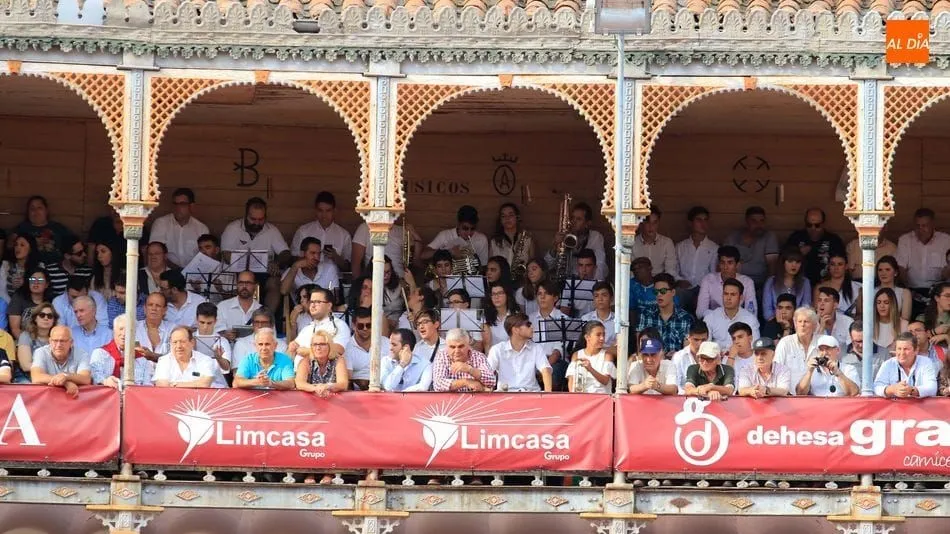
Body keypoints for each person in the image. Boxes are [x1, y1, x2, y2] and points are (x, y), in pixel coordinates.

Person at [220, 197, 292, 311]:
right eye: (253, 219)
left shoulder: (271, 230)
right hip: (237, 272)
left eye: (261, 219)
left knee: (275, 282)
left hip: (263, 273)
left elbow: (286, 253)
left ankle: (268, 318)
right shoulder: (232, 228)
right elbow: (226, 254)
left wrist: (276, 263)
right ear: (245, 215)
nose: (257, 223)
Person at [896, 208, 950, 318]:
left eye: (924, 225)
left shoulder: (946, 240)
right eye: (918, 226)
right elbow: (901, 268)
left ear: (933, 224)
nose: (921, 229)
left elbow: (947, 272)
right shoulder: (905, 240)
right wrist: (908, 289)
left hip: (937, 291)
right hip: (912, 290)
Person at [487, 313, 553, 392]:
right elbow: (487, 373)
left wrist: (548, 394)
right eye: (528, 325)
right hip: (505, 395)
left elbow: (545, 370)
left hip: (531, 394)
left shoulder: (536, 348)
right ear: (516, 330)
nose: (532, 327)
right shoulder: (497, 349)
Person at [149, 188, 210, 268]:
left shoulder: (201, 228)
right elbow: (155, 252)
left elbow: (206, 256)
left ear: (191, 206)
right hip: (166, 271)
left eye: (182, 204)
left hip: (194, 273)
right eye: (175, 204)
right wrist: (177, 271)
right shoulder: (161, 223)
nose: (177, 208)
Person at [291, 191, 352, 271]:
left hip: (333, 280)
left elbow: (348, 267)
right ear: (316, 210)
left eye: (328, 211)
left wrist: (336, 257)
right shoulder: (303, 231)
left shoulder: (344, 235)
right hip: (306, 278)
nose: (324, 215)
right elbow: (292, 259)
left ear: (334, 211)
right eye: (320, 210)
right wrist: (306, 260)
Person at [723, 206, 780, 291]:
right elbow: (723, 262)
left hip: (759, 284)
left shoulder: (768, 237)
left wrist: (769, 288)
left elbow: (772, 266)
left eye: (762, 221)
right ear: (747, 221)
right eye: (754, 221)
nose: (759, 225)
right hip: (736, 282)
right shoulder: (734, 237)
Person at [89, 315, 155, 388]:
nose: (124, 334)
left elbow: (148, 385)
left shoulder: (142, 360)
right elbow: (95, 376)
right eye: (121, 329)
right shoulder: (100, 353)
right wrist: (105, 381)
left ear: (134, 333)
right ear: (114, 331)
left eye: (128, 330)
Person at [786, 207, 846, 285]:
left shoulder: (834, 240)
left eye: (817, 225)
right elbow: (784, 259)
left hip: (827, 285)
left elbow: (842, 264)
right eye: (809, 225)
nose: (813, 228)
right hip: (799, 284)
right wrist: (798, 253)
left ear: (823, 224)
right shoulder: (796, 238)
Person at [675, 206, 718, 311]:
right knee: (676, 295)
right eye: (699, 220)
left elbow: (714, 274)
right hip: (684, 288)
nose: (703, 224)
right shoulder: (680, 246)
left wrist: (704, 287)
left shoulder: (714, 248)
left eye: (705, 220)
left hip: (704, 289)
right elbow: (673, 269)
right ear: (690, 223)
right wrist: (679, 280)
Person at [290, 287, 351, 360]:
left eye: (317, 302)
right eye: (312, 302)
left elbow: (338, 350)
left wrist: (306, 351)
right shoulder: (308, 328)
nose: (312, 305)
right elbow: (290, 352)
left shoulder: (339, 325)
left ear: (329, 305)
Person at [696, 246, 757, 319]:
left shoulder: (747, 282)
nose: (725, 267)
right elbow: (700, 312)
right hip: (714, 323)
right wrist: (724, 318)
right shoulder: (708, 280)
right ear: (719, 264)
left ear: (737, 265)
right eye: (722, 262)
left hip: (738, 324)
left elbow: (752, 313)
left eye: (730, 263)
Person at [10, 196, 74, 265]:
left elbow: (74, 245)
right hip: (30, 268)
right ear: (28, 212)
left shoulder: (58, 228)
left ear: (46, 210)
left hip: (56, 269)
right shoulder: (22, 228)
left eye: (39, 208)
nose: (36, 211)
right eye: (32, 208)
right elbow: (10, 245)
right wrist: (32, 243)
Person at [637, 273, 692, 353]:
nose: (659, 294)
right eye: (656, 292)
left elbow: (687, 352)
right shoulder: (645, 315)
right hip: (651, 361)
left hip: (676, 363)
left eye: (663, 291)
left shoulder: (685, 318)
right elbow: (640, 349)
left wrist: (676, 356)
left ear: (673, 292)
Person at [30, 325, 91, 396]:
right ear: (49, 341)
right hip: (47, 399)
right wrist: (65, 382)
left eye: (63, 341)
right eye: (55, 341)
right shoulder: (40, 352)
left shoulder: (82, 354)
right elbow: (36, 377)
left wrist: (66, 376)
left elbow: (86, 378)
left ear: (71, 342)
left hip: (74, 400)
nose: (58, 345)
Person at [422, 205, 490, 268]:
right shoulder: (445, 235)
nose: (469, 233)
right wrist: (447, 251)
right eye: (465, 228)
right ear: (458, 224)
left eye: (472, 229)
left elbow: (483, 266)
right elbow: (423, 255)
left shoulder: (481, 239)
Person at [529, 281, 568, 388]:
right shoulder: (529, 319)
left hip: (554, 361)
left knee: (554, 372)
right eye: (539, 294)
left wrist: (543, 368)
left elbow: (557, 352)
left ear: (555, 298)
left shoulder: (563, 319)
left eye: (546, 294)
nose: (542, 297)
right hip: (533, 360)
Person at [874, 332, 938, 398]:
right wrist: (893, 389)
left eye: (906, 349)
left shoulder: (926, 362)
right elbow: (876, 387)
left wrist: (911, 390)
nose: (902, 353)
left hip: (919, 407)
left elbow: (932, 388)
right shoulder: (888, 364)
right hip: (895, 407)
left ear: (916, 350)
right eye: (899, 349)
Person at [702, 278, 759, 351]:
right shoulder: (711, 317)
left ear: (741, 298)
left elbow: (754, 348)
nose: (728, 298)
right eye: (726, 294)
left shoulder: (750, 320)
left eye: (733, 294)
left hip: (740, 360)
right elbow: (705, 346)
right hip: (716, 360)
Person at [432, 328, 495, 392]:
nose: (457, 351)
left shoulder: (478, 356)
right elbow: (438, 385)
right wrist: (465, 382)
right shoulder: (441, 356)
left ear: (468, 345)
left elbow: (492, 381)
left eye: (461, 346)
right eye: (452, 347)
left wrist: (470, 370)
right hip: (449, 401)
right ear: (447, 347)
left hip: (475, 400)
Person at [152, 327, 218, 388]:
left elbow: (204, 384)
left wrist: (175, 384)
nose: (178, 346)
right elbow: (161, 385)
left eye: (182, 342)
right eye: (175, 342)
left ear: (192, 342)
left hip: (198, 399)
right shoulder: (164, 361)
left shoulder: (205, 360)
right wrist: (194, 384)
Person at [344, 307, 390, 391]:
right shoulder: (347, 346)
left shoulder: (387, 343)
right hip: (358, 393)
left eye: (369, 325)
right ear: (354, 326)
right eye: (361, 326)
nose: (365, 329)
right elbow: (347, 379)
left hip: (385, 389)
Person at [774, 306, 821, 387]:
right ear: (795, 324)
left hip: (818, 396)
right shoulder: (785, 342)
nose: (802, 325)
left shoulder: (822, 342)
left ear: (814, 325)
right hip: (790, 396)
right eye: (799, 321)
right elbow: (776, 370)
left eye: (806, 321)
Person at [762, 247, 811, 321]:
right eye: (790, 261)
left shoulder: (805, 282)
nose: (794, 265)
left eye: (798, 262)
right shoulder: (771, 281)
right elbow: (767, 311)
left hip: (798, 324)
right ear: (783, 262)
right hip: (774, 323)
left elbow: (806, 307)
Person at [565, 321, 615, 393]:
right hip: (581, 397)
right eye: (598, 335)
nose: (602, 338)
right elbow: (571, 379)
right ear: (587, 337)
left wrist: (590, 369)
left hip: (601, 397)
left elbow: (605, 381)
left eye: (603, 335)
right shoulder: (577, 355)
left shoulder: (607, 355)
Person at [489, 203, 536, 279]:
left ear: (517, 217)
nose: (507, 219)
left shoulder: (527, 240)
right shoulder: (494, 242)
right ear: (500, 220)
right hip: (502, 283)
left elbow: (533, 265)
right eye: (503, 216)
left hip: (522, 283)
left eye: (511, 215)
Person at [231, 308, 285, 373]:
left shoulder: (282, 345)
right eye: (257, 322)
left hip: (275, 381)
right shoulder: (241, 343)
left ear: (272, 325)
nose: (260, 326)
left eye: (264, 323)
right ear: (253, 324)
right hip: (248, 382)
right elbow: (237, 372)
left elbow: (285, 371)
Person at [15, 302, 57, 383]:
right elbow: (25, 366)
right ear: (35, 318)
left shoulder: (58, 337)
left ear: (54, 320)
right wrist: (50, 370)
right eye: (42, 315)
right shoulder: (26, 336)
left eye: (50, 316)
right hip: (26, 377)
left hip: (50, 377)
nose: (46, 318)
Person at [630, 206, 677, 278]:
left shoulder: (667, 243)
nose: (651, 226)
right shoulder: (632, 242)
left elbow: (670, 270)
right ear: (641, 223)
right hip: (638, 283)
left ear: (658, 223)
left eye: (654, 222)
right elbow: (630, 272)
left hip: (660, 282)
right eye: (647, 222)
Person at [214, 271, 261, 341]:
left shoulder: (262, 310)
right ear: (237, 285)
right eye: (241, 283)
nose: (244, 286)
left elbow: (271, 337)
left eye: (248, 283)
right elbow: (214, 335)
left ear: (255, 285)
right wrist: (225, 335)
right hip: (230, 350)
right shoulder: (222, 307)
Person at [839, 322, 888, 388]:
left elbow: (888, 380)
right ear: (850, 337)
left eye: (864, 340)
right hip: (849, 396)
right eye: (857, 341)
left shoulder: (884, 354)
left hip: (874, 395)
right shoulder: (841, 352)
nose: (861, 345)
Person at [194, 302, 233, 385]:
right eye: (202, 322)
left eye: (209, 323)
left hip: (216, 383)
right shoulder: (188, 339)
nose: (205, 327)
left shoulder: (223, 341)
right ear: (196, 320)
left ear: (215, 321)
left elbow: (226, 369)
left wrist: (219, 358)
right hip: (191, 381)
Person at [813, 252, 861, 317]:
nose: (836, 268)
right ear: (829, 266)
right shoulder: (820, 287)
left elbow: (860, 314)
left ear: (846, 266)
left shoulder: (857, 287)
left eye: (840, 264)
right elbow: (816, 310)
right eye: (832, 264)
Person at [7, 268, 51, 338]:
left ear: (46, 284)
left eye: (40, 280)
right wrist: (27, 343)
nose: (36, 282)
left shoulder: (51, 301)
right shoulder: (18, 297)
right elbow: (15, 330)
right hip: (22, 340)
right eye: (32, 280)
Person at [670, 322, 710, 394]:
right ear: (688, 338)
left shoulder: (714, 356)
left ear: (707, 338)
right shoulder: (678, 357)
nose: (700, 343)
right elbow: (675, 385)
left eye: (703, 340)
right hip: (683, 399)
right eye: (696, 339)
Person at [135, 292, 174, 363]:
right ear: (144, 308)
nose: (154, 308)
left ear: (165, 310)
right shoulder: (134, 328)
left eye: (158, 306)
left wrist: (154, 356)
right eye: (150, 305)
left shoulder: (173, 330)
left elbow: (177, 359)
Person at [0, 234, 40, 301]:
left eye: (22, 245)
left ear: (30, 249)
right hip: (9, 304)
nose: (17, 248)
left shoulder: (39, 266)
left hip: (31, 304)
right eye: (16, 245)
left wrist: (25, 282)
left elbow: (41, 283)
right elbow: (1, 290)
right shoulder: (6, 266)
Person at [482, 281, 519, 351]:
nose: (496, 297)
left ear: (507, 295)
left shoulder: (516, 315)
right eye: (493, 294)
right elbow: (486, 345)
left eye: (500, 293)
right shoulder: (484, 317)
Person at [875, 256, 912, 321]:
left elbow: (905, 319)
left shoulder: (904, 293)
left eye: (887, 269)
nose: (883, 273)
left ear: (895, 273)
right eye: (880, 270)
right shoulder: (870, 291)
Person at [580, 282, 616, 348]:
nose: (600, 299)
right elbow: (582, 344)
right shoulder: (586, 319)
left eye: (604, 295)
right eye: (596, 296)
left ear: (611, 298)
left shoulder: (618, 320)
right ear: (593, 299)